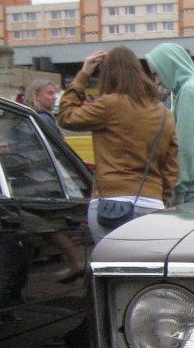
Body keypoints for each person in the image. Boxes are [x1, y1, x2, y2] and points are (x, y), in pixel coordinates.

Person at [57, 47, 178, 243]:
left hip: (110, 202)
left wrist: (84, 75)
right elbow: (171, 167)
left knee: (109, 260)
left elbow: (66, 116)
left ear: (108, 74)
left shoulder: (109, 104)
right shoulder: (165, 114)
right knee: (146, 261)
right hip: (151, 202)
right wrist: (159, 197)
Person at [145, 43, 194, 204]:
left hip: (190, 192)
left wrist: (176, 190)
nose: (157, 81)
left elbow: (186, 147)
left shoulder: (190, 92)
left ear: (170, 66)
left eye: (157, 74)